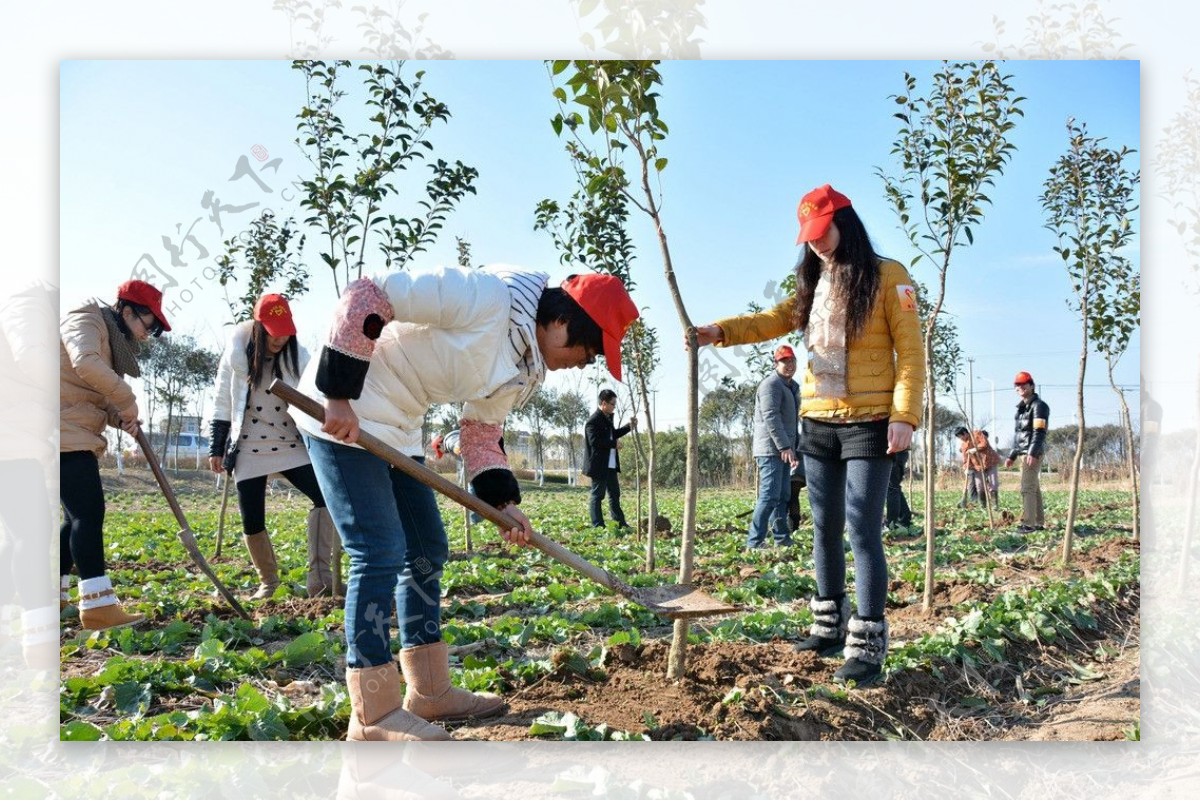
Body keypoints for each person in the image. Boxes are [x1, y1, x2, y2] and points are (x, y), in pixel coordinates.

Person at [292, 264, 638, 740]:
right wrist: (337, 391)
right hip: (342, 416)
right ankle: (371, 714)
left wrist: (504, 504)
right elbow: (368, 294)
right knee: (378, 552)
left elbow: (480, 434)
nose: (586, 362)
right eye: (590, 349)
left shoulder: (522, 367)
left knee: (426, 549)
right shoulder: (487, 297)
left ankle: (429, 691)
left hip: (398, 427)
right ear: (562, 321)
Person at [693, 184, 924, 686]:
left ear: (847, 223)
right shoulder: (813, 280)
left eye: (824, 233)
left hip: (870, 421)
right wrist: (721, 331)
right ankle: (828, 625)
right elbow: (776, 319)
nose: (817, 244)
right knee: (823, 525)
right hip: (818, 422)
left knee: (862, 528)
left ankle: (867, 644)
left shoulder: (890, 277)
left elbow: (911, 352)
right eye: (809, 237)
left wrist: (905, 415)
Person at [208, 293, 338, 600]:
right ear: (258, 327)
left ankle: (320, 577)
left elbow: (317, 397)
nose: (279, 338)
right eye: (272, 330)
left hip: (289, 443)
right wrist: (217, 446)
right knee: (251, 517)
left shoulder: (298, 357)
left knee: (325, 497)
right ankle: (268, 582)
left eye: (284, 330)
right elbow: (222, 402)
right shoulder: (236, 356)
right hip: (249, 446)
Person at [60, 279, 172, 631]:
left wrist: (118, 416)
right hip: (56, 427)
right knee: (89, 513)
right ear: (126, 310)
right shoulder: (87, 319)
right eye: (147, 325)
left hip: (69, 426)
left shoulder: (110, 339)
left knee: (75, 517)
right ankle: (97, 606)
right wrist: (126, 400)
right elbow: (85, 364)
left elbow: (90, 392)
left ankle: (55, 594)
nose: (145, 335)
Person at [747, 344, 801, 548]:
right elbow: (771, 417)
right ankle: (754, 542)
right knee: (769, 496)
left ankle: (781, 538)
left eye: (792, 361)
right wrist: (784, 446)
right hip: (770, 450)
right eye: (784, 361)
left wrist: (793, 448)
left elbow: (792, 421)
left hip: (785, 450)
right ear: (775, 364)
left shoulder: (792, 386)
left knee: (783, 496)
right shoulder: (770, 385)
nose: (789, 365)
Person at [583, 389, 636, 530]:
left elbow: (614, 434)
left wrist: (629, 427)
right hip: (599, 465)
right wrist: (613, 444)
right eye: (613, 404)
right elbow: (594, 441)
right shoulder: (592, 421)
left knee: (614, 494)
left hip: (610, 465)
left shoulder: (607, 419)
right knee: (597, 495)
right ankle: (598, 525)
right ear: (604, 403)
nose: (614, 407)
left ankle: (620, 523)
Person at [1005, 371, 1049, 532]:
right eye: (1017, 385)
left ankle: (1028, 524)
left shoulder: (1039, 406)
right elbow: (1019, 435)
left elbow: (1039, 432)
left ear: (1031, 385)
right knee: (1033, 487)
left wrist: (1032, 452)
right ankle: (1038, 522)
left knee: (1026, 487)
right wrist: (1012, 455)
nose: (1020, 387)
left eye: (1024, 383)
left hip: (1032, 453)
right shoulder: (1021, 409)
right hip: (1023, 452)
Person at [969, 429, 1001, 507]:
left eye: (985, 438)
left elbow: (984, 445)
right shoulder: (972, 444)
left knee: (993, 483)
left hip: (991, 464)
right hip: (979, 467)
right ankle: (983, 505)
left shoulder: (986, 446)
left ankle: (994, 505)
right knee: (979, 485)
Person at [884, 448, 912, 530]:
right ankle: (905, 518)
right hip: (899, 452)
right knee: (894, 488)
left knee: (892, 488)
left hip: (895, 452)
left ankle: (891, 524)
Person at [954, 426, 981, 507]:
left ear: (965, 433)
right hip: (970, 467)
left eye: (960, 436)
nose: (960, 438)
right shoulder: (964, 443)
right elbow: (964, 456)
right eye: (959, 437)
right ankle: (974, 501)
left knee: (978, 485)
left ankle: (978, 501)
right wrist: (966, 467)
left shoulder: (973, 439)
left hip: (978, 465)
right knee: (971, 484)